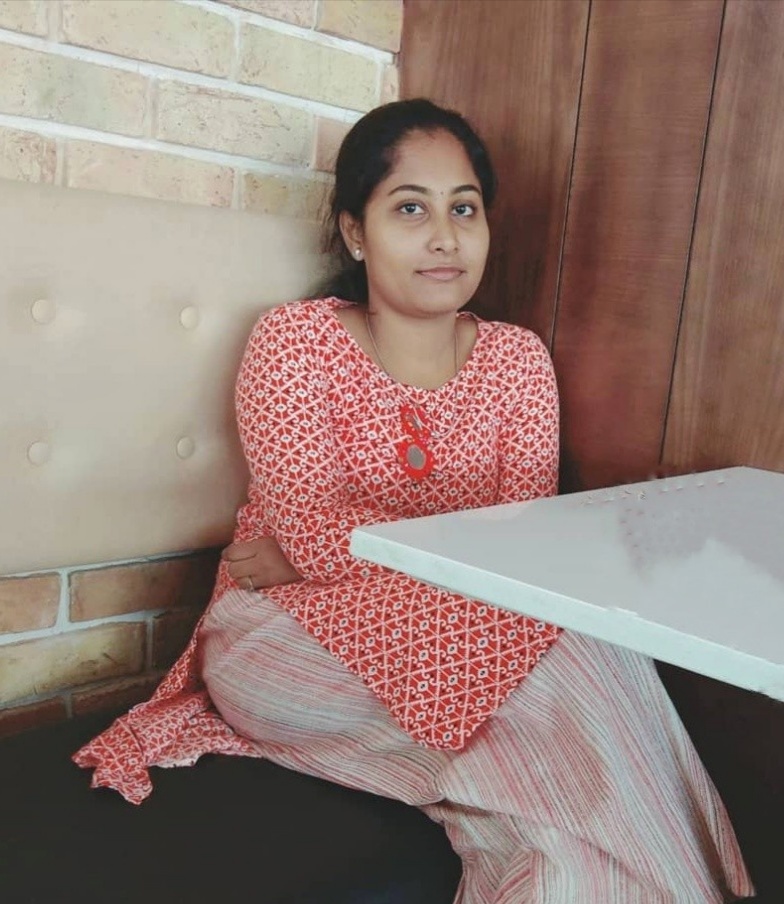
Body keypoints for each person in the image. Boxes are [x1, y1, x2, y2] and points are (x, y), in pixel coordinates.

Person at [74, 98, 753, 903]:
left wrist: (330, 551)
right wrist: (339, 551)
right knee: (571, 654)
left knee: (573, 683)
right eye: (409, 209)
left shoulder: (516, 362)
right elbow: (316, 526)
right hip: (291, 643)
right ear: (355, 232)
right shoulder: (296, 343)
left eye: (464, 209)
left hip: (471, 639)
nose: (445, 237)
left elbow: (523, 558)